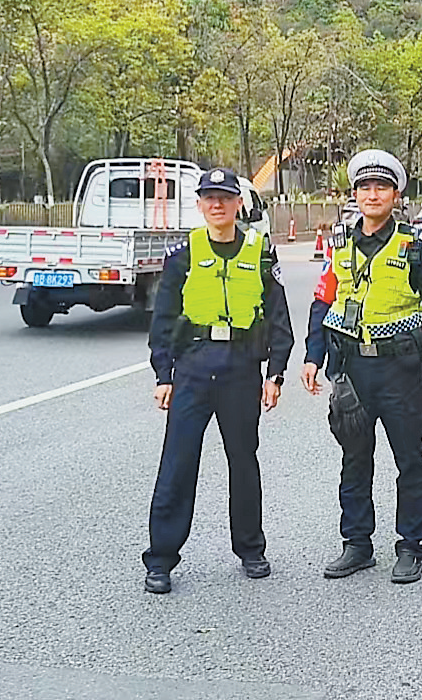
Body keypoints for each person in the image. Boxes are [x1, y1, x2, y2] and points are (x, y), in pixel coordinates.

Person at [302, 149, 422, 584]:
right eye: (365, 187)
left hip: (400, 370)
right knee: (354, 459)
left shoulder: (415, 246)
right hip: (351, 369)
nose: (372, 195)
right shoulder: (340, 245)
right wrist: (313, 356)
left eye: (381, 188)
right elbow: (323, 302)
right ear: (355, 194)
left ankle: (410, 547)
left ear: (395, 195)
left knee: (409, 460)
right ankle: (357, 543)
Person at [143, 166, 295, 594]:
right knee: (178, 463)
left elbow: (278, 317)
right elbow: (163, 320)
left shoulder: (260, 252)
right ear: (199, 205)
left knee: (243, 461)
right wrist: (163, 374)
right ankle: (161, 558)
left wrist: (276, 372)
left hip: (241, 368)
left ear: (238, 204)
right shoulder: (182, 255)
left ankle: (250, 549)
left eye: (225, 198)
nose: (217, 205)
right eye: (209, 198)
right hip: (193, 368)